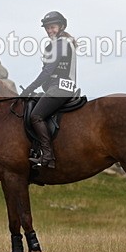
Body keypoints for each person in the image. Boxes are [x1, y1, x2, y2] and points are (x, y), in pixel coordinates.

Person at [19, 11, 79, 169]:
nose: (49, 31)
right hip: (53, 87)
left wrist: (29, 88)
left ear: (61, 27)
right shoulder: (53, 45)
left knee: (36, 116)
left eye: (52, 27)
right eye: (47, 28)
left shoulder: (62, 43)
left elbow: (48, 71)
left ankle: (48, 156)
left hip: (61, 88)